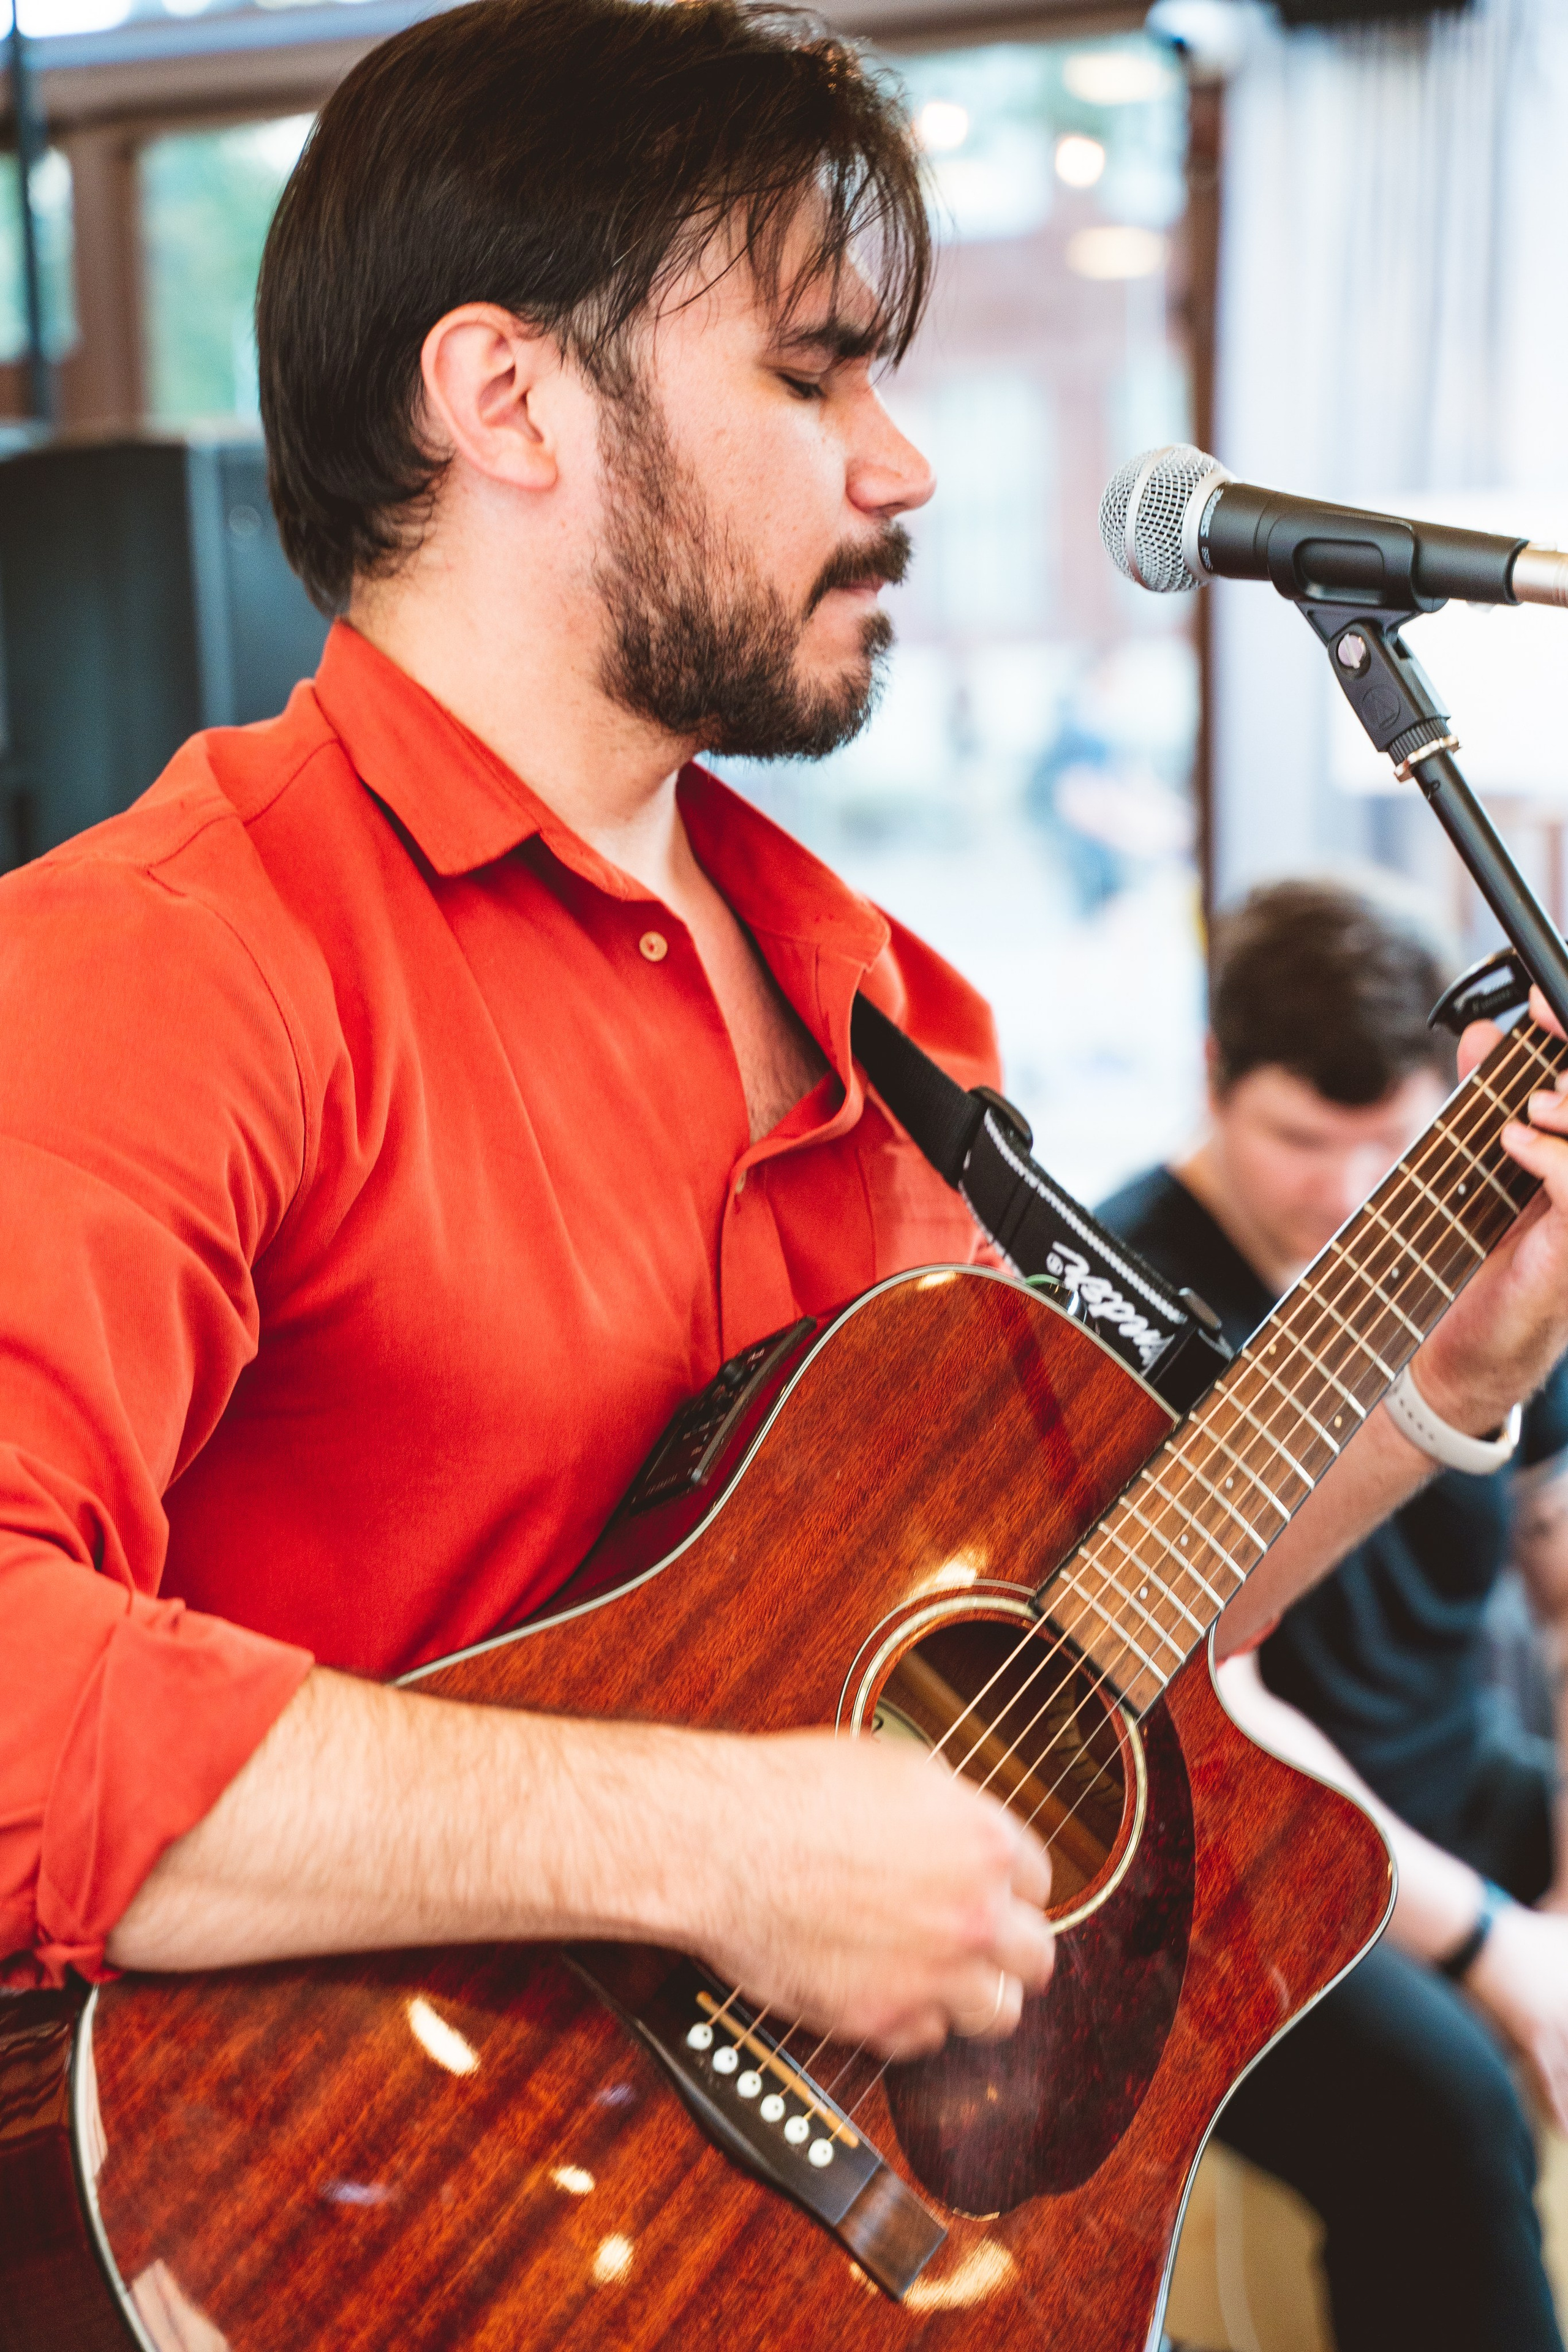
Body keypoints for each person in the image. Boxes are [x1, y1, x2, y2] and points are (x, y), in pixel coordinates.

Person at [3, 0, 1568, 2121]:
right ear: (507, 398)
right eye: (812, 372)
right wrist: (705, 1842)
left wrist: (1434, 1390)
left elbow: (1066, 1647)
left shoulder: (899, 1017)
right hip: (365, 2238)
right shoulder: (173, 958)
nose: (901, 463)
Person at [1101, 878, 1568, 2352]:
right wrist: (1494, 1947)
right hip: (1221, 1854)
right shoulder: (1118, 1285)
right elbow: (1201, 1689)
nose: (1346, 1189)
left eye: (1388, 1141)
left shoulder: (1468, 1242)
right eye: (1302, 1140)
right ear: (1213, 1083)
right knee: (1443, 2114)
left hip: (1453, 1786)